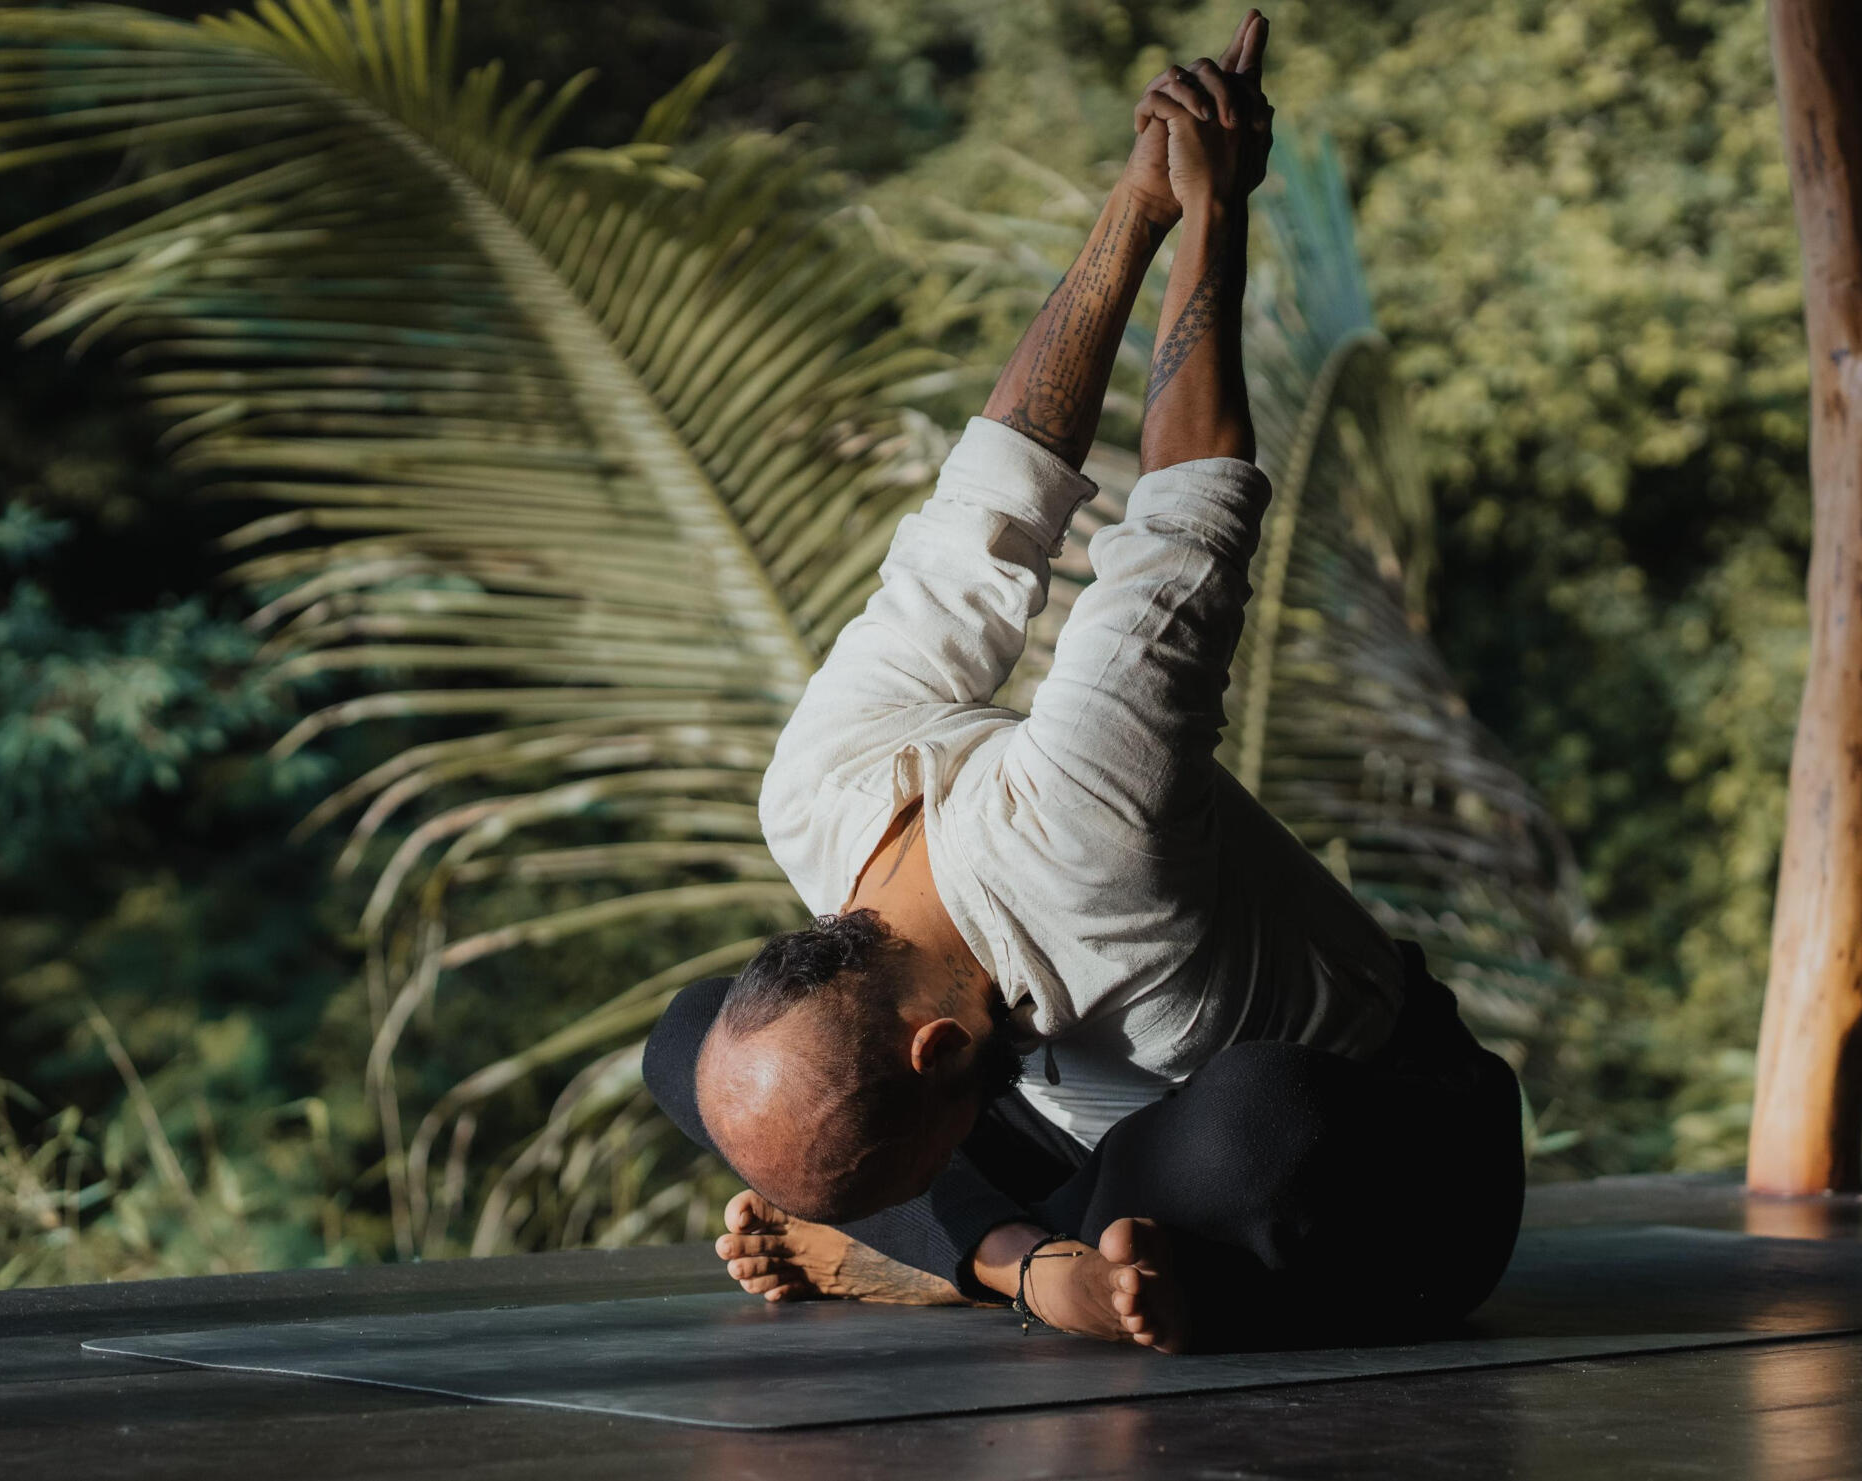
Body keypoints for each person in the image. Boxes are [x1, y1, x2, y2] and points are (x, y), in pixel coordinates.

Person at [643, 10, 1523, 1354]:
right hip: (1102, 1135)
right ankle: (1044, 1265)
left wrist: (1183, 213)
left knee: (1259, 1124)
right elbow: (1049, 511)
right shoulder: (815, 805)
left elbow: (1142, 511)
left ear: (941, 1057)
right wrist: (1163, 215)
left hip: (1395, 1157)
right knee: (700, 1047)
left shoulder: (1059, 833)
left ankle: (984, 1255)